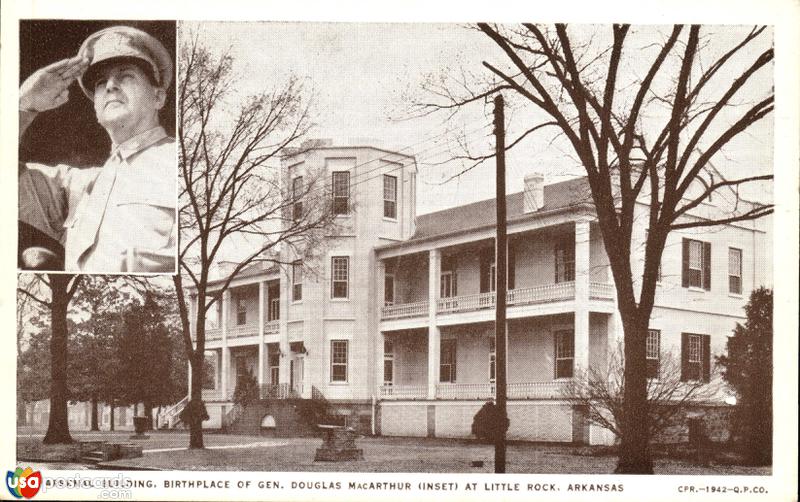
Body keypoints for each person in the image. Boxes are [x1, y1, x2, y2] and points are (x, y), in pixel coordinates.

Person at [19, 25, 176, 273]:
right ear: (96, 109)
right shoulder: (78, 187)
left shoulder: (180, 163)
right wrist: (24, 106)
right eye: (101, 83)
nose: (110, 86)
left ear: (158, 97)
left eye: (126, 76)